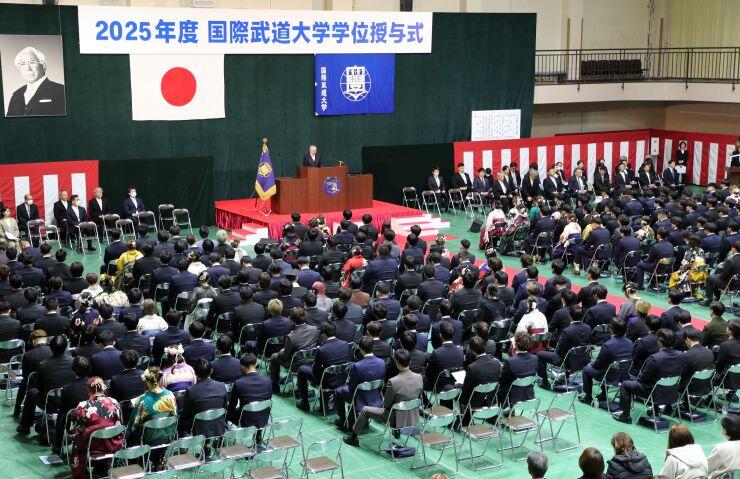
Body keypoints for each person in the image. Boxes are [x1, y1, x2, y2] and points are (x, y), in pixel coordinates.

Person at [343, 348, 423, 447]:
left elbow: (386, 404)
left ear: (397, 363)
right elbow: (418, 397)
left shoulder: (393, 382)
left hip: (394, 417)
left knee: (365, 410)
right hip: (413, 415)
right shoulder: (419, 377)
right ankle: (396, 431)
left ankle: (353, 438)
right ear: (410, 362)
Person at [614, 329, 687, 424]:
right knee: (659, 380)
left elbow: (643, 379)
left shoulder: (654, 358)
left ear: (660, 342)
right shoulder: (681, 355)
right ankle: (655, 410)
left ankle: (625, 416)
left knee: (625, 385)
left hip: (653, 392)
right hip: (672, 391)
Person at [68, 377, 122, 478]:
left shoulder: (83, 406)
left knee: (78, 437)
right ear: (103, 388)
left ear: (89, 390)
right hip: (112, 443)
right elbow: (120, 422)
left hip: (92, 445)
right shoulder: (114, 402)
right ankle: (105, 465)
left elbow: (73, 429)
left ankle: (81, 471)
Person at [295, 321, 351, 411]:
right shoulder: (345, 344)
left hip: (327, 381)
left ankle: (304, 403)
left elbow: (315, 370)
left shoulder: (322, 350)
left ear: (323, 334)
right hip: (342, 379)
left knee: (302, 369)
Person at [580, 317, 633, 405]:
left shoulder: (607, 345)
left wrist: (592, 363)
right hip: (623, 375)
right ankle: (603, 394)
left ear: (611, 330)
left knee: (586, 369)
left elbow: (597, 365)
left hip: (609, 376)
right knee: (607, 366)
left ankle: (588, 397)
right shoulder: (630, 342)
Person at [269, 307, 319, 392]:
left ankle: (275, 385)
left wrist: (281, 351)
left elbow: (285, 356)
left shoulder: (291, 337)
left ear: (292, 320)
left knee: (274, 356)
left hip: (295, 365)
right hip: (311, 361)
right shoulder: (314, 329)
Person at [6, 46, 66, 117]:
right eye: (23, 64)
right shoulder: (16, 95)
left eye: (32, 62)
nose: (28, 68)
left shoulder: (61, 91)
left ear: (43, 66)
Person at [128, 367, 178, 445]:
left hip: (149, 440)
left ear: (146, 380)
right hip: (168, 437)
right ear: (159, 378)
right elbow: (175, 415)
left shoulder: (142, 401)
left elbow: (133, 426)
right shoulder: (170, 395)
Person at [180, 359, 227, 439]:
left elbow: (185, 414)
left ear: (195, 373)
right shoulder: (222, 386)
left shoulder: (191, 391)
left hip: (199, 431)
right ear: (211, 371)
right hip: (219, 429)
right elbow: (225, 408)